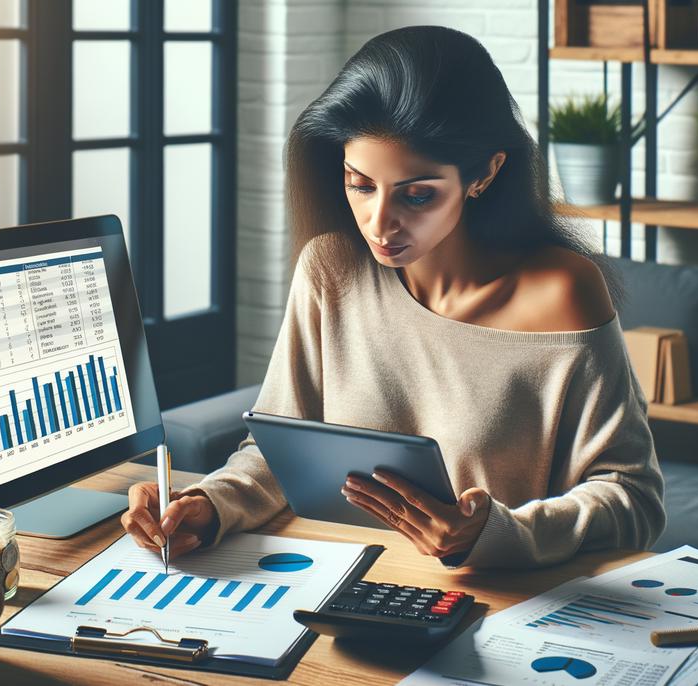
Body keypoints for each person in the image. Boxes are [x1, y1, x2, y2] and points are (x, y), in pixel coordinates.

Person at [121, 25, 664, 569]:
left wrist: (500, 532)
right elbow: (277, 452)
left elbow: (634, 500)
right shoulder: (330, 269)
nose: (379, 224)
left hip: (495, 608)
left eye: (418, 195)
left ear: (485, 174)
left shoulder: (562, 293)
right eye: (360, 185)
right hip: (328, 587)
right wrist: (206, 505)